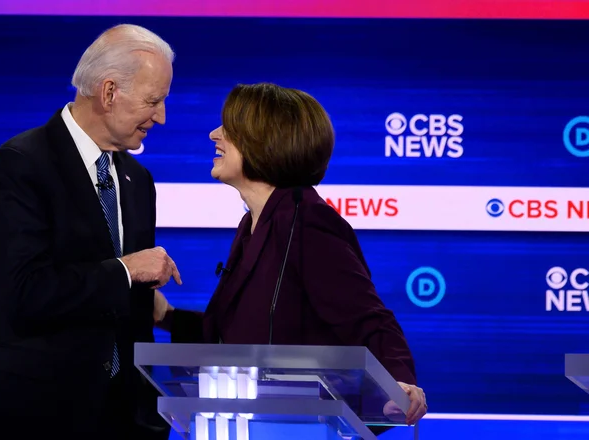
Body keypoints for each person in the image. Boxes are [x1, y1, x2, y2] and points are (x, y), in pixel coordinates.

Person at [154, 82, 427, 427]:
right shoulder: (253, 225)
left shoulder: (307, 222)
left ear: (264, 139)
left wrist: (398, 383)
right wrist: (168, 317)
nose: (214, 134)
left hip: (297, 427)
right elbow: (238, 340)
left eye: (230, 127)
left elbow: (369, 321)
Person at [0, 24, 181, 440]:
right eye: (153, 101)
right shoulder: (22, 164)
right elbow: (21, 292)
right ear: (109, 92)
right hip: (35, 413)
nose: (162, 116)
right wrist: (126, 271)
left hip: (121, 415)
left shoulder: (138, 179)